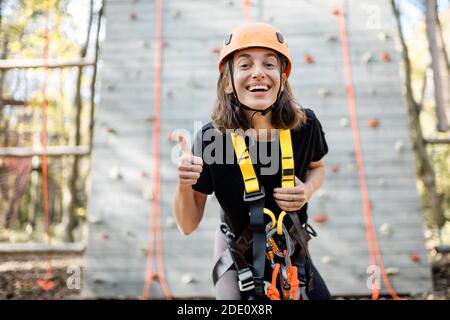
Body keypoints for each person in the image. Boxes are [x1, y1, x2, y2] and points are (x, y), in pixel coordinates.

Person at [173, 22, 331, 300]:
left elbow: (317, 168)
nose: (258, 72)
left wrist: (307, 190)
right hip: (238, 249)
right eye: (245, 65)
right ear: (229, 83)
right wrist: (185, 183)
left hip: (291, 248)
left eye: (269, 64)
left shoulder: (306, 126)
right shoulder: (212, 139)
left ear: (282, 78)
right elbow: (187, 225)